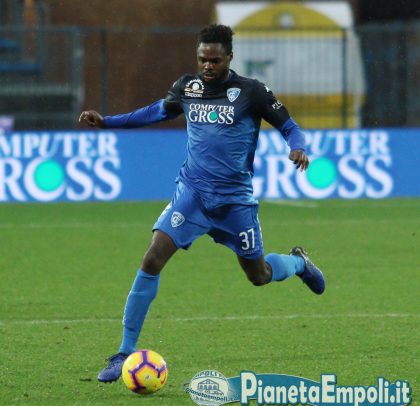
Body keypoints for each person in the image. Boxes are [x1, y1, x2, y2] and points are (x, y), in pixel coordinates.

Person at [79, 24, 325, 383]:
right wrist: (108, 123)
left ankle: (298, 263)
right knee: (152, 258)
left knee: (258, 275)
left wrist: (297, 147)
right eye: (202, 59)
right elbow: (155, 112)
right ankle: (124, 353)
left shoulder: (252, 92)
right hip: (192, 195)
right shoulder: (188, 88)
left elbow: (290, 126)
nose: (207, 66)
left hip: (234, 203)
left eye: (214, 60)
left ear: (229, 58)